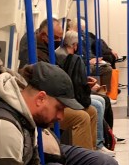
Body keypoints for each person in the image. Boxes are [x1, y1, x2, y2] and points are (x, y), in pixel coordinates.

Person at [20, 20, 98, 151]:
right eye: (56, 38)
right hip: (49, 99)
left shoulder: (50, 52)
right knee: (81, 117)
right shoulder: (36, 55)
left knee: (92, 110)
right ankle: (84, 160)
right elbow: (48, 85)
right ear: (44, 36)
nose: (58, 41)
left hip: (55, 96)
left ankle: (93, 152)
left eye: (60, 38)